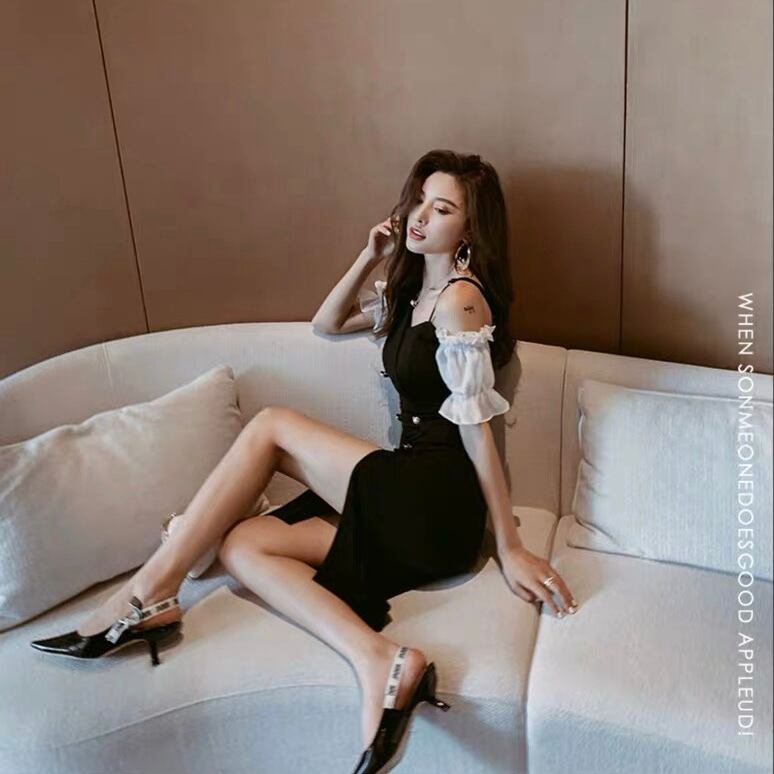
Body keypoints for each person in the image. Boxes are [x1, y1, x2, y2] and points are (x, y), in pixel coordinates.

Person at [30, 149, 577, 773]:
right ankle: (379, 659)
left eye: (442, 209)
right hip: (405, 492)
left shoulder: (460, 302)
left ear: (471, 229)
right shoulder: (412, 293)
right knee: (243, 546)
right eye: (419, 200)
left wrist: (508, 545)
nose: (421, 217)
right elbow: (327, 322)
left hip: (437, 504)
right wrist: (370, 255)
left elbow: (478, 430)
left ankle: (148, 593)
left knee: (272, 426)